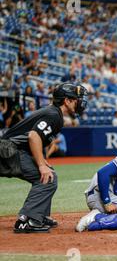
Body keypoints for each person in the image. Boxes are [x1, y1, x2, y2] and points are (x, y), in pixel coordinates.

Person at [0, 82, 87, 233]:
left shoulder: (53, 113)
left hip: (11, 149)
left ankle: (38, 215)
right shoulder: (54, 115)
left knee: (49, 175)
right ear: (67, 100)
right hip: (9, 150)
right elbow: (34, 136)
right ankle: (28, 220)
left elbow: (34, 137)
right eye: (76, 99)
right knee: (47, 179)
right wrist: (40, 165)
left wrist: (42, 161)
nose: (80, 102)